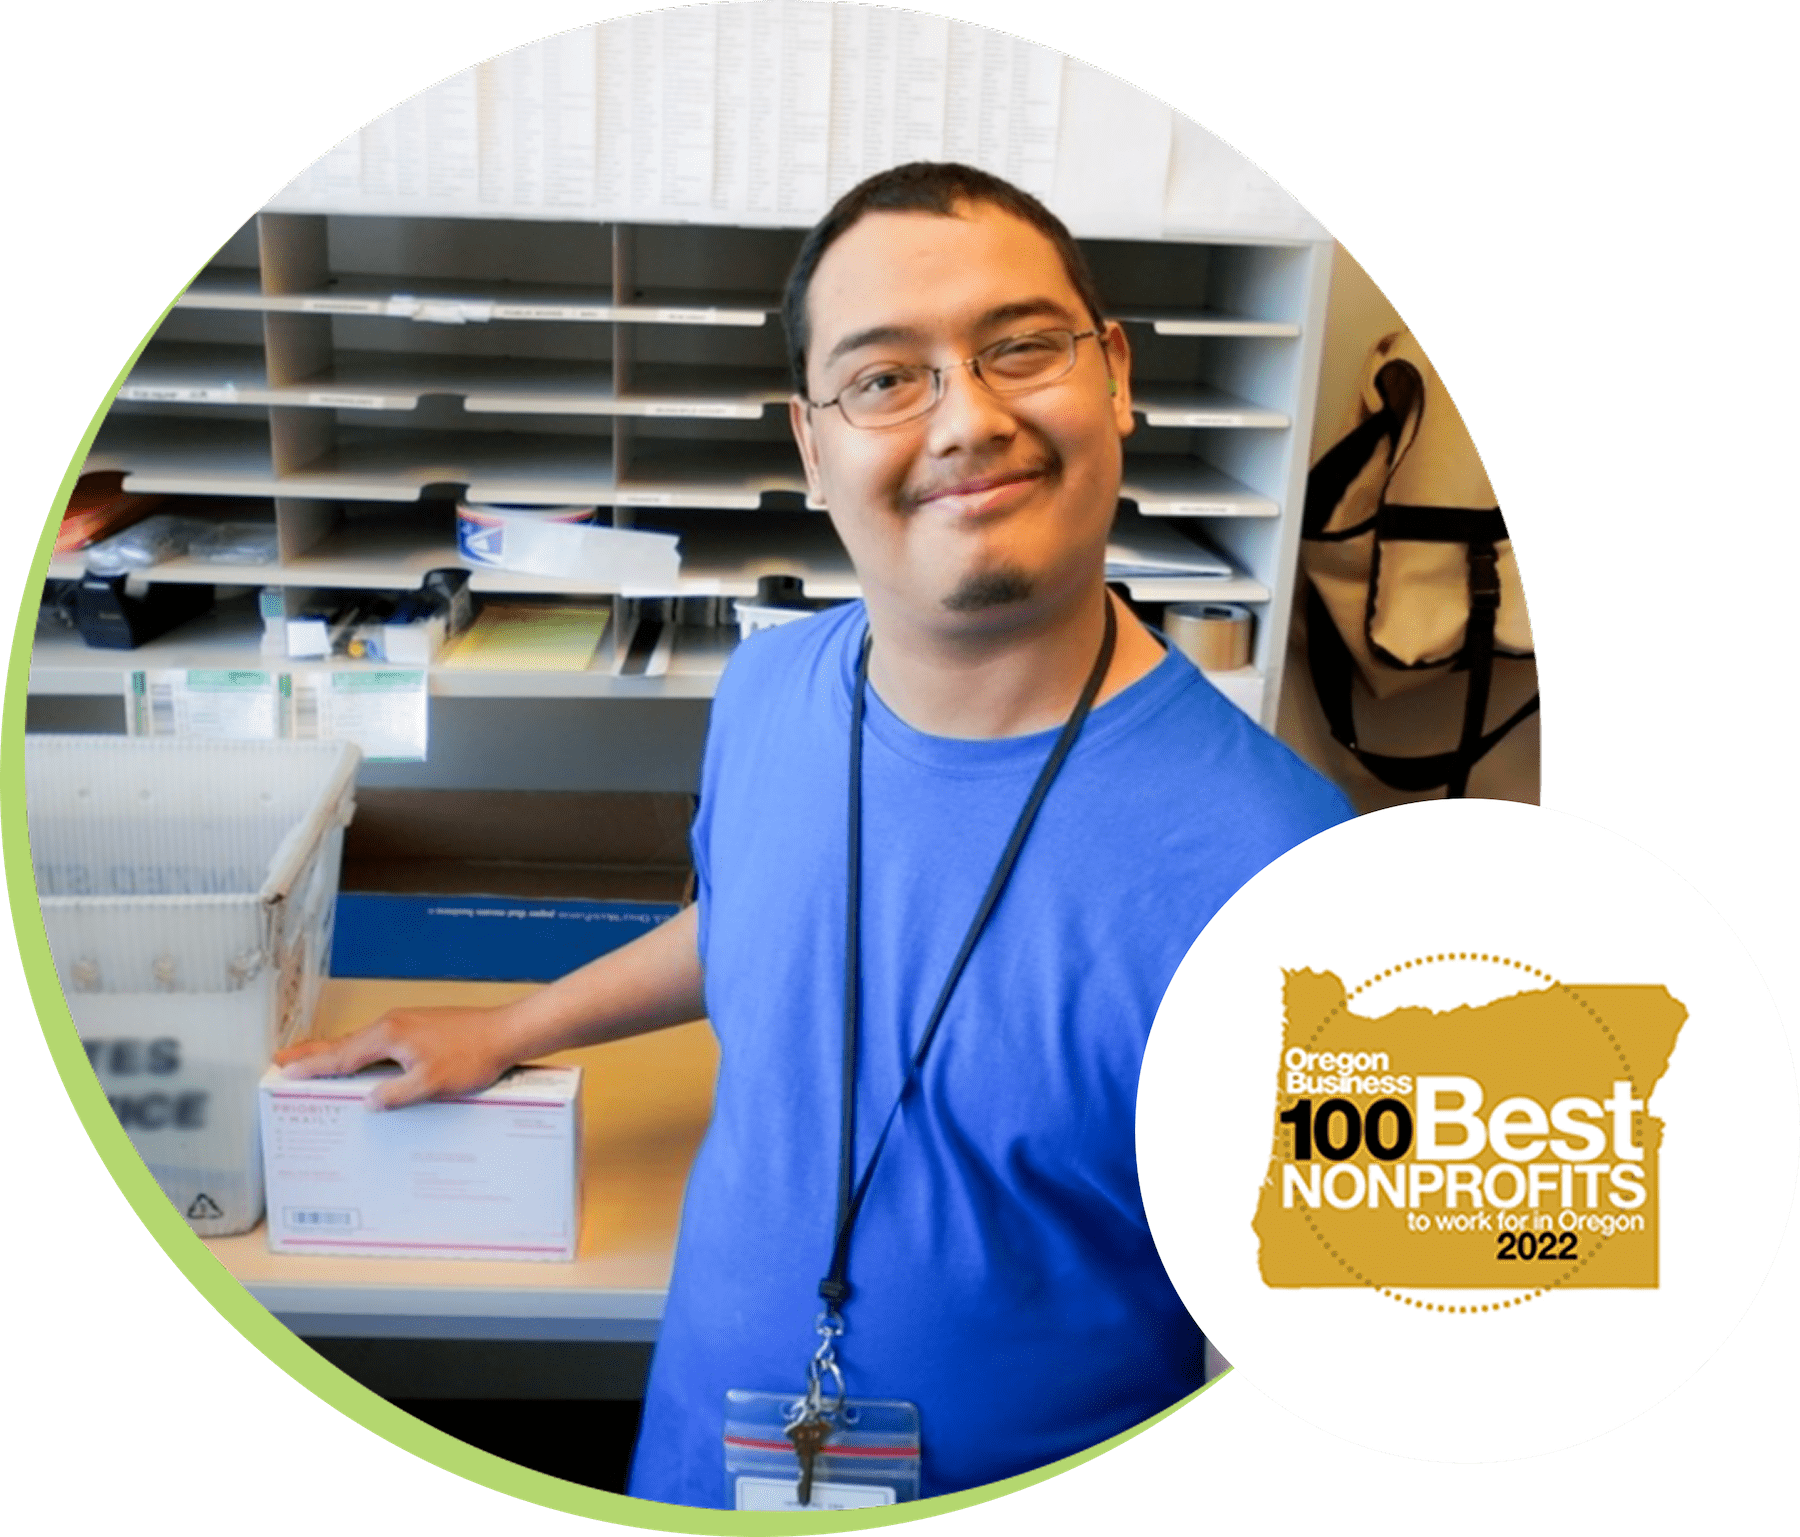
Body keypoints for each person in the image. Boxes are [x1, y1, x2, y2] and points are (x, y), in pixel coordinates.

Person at [278, 162, 1351, 1508]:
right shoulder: (773, 691)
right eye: (885, 377)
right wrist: (511, 1027)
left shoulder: (1292, 882)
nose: (966, 418)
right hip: (696, 1464)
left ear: (1117, 376)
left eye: (1021, 348)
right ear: (812, 444)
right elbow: (759, 919)